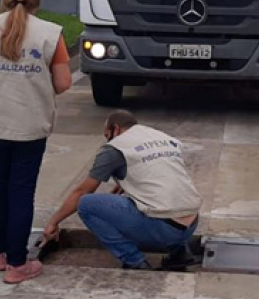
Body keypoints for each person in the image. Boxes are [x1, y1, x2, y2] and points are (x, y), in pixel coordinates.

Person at [0, 0, 72, 284]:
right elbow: (64, 82)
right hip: (29, 126)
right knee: (21, 190)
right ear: (37, 1)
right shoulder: (51, 34)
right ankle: (18, 263)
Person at [43, 111, 201, 271]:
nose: (107, 140)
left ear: (115, 129)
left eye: (107, 135)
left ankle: (135, 261)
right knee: (167, 200)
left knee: (86, 205)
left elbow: (82, 192)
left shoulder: (115, 148)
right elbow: (160, 177)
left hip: (163, 229)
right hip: (191, 223)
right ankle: (180, 252)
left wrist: (53, 222)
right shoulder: (163, 138)